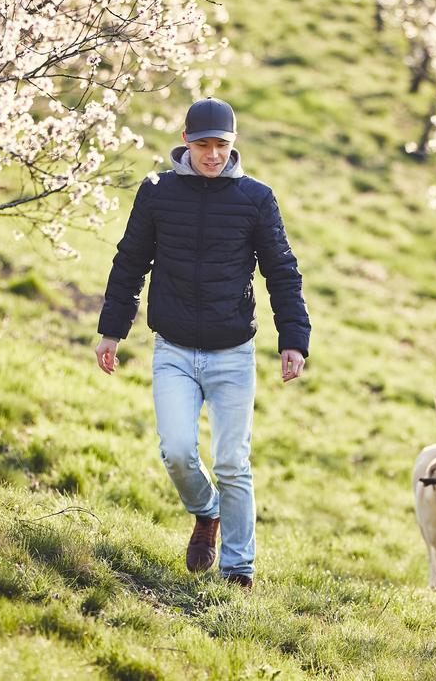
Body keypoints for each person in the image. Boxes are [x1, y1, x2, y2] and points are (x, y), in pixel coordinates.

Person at [94, 97, 310, 590]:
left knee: (233, 461)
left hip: (233, 354)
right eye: (203, 145)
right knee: (175, 450)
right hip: (172, 350)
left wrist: (293, 341)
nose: (212, 155)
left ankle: (238, 568)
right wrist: (112, 330)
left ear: (233, 146)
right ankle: (205, 511)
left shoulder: (257, 199)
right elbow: (130, 262)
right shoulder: (156, 193)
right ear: (186, 142)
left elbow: (282, 272)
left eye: (222, 146)